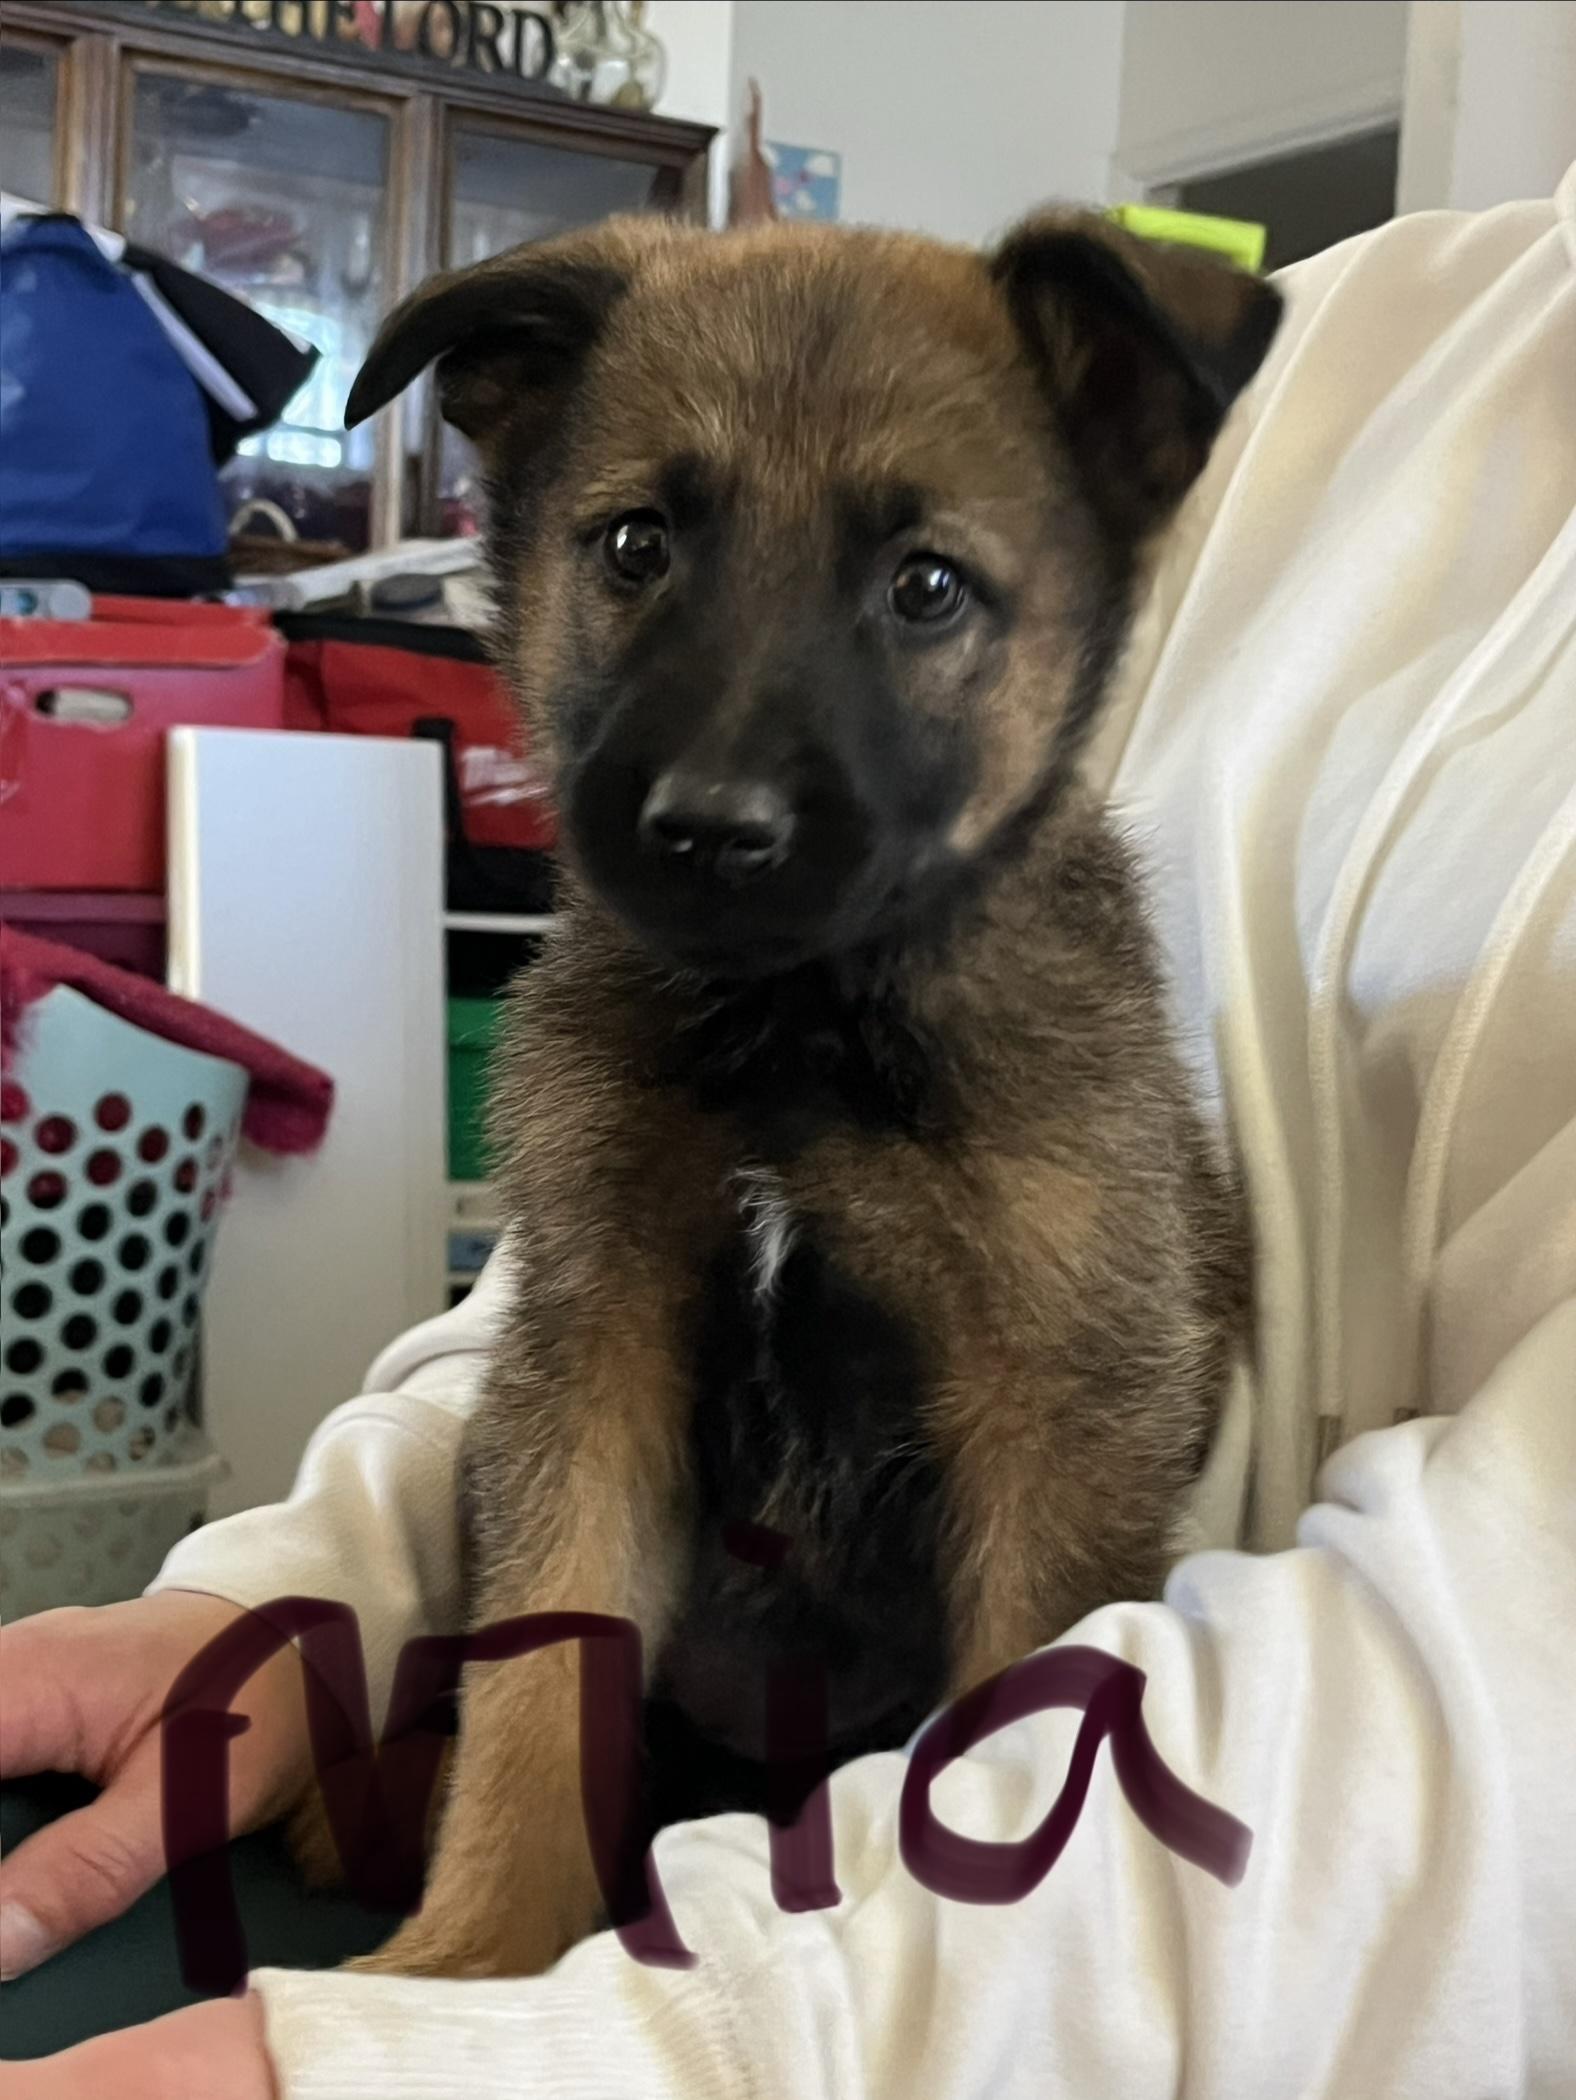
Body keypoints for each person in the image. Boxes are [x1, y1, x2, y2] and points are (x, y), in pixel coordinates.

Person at [2, 166, 1572, 2100]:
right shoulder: (1388, 329)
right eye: (644, 548)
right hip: (719, 1818)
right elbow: (570, 1380)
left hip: (1092, 1919)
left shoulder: (1130, 416)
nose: (731, 759)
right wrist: (322, 1604)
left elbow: (1112, 1524)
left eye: (921, 593)